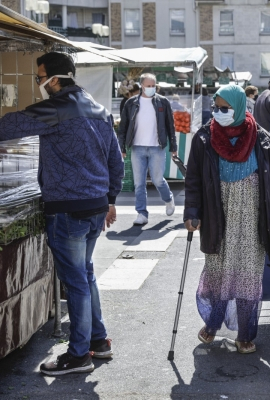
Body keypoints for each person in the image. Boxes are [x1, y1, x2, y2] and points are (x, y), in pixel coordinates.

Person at [0, 52, 123, 375]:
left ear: (55, 79)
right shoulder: (97, 108)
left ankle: (79, 354)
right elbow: (116, 160)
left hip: (68, 210)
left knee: (77, 282)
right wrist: (110, 198)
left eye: (39, 78)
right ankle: (99, 341)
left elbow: (8, 126)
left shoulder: (55, 108)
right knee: (86, 275)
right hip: (96, 205)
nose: (38, 84)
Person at [183, 85, 270, 354]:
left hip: (252, 222)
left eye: (225, 108)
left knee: (247, 279)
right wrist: (192, 213)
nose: (219, 113)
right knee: (219, 274)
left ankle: (245, 334)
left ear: (239, 106)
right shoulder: (203, 138)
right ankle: (213, 324)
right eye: (216, 108)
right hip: (217, 219)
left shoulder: (262, 140)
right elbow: (194, 180)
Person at [118, 73, 177, 226]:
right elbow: (123, 127)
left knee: (158, 180)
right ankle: (141, 213)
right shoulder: (131, 103)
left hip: (157, 147)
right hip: (137, 148)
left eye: (153, 86)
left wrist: (173, 147)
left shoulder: (162, 102)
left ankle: (168, 199)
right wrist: (122, 146)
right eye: (148, 86)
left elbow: (171, 126)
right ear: (142, 86)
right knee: (139, 183)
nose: (151, 89)